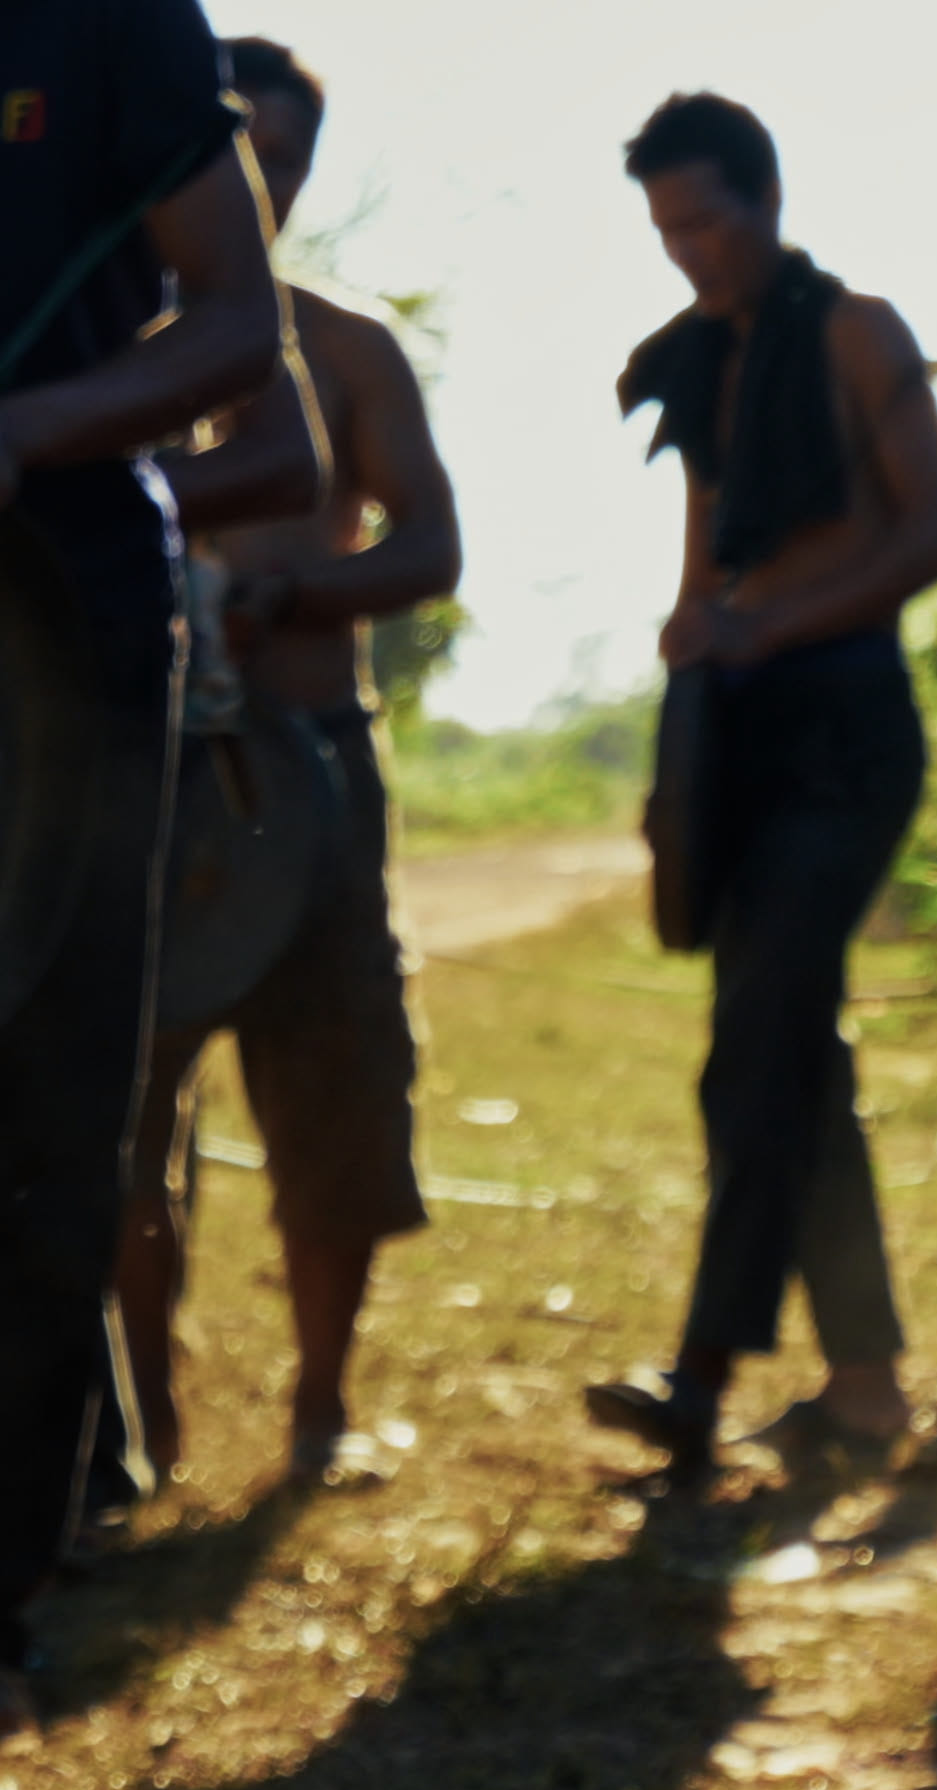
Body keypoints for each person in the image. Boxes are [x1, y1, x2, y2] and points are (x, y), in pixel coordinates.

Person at [0, 0, 321, 1732]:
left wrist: (33, 432)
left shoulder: (109, 25)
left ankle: (10, 1588)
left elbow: (236, 327)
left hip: (64, 647)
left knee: (52, 1151)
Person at [581, 91, 937, 1480]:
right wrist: (677, 761)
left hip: (849, 727)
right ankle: (864, 1386)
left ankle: (700, 1374)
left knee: (757, 1046)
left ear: (765, 199)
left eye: (705, 218)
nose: (687, 248)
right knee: (793, 1049)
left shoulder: (859, 333)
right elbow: (705, 573)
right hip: (735, 734)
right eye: (666, 228)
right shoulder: (702, 364)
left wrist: (775, 629)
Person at [116, 35, 464, 1493]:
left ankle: (320, 1409)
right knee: (120, 1108)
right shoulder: (103, 347)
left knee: (334, 1089)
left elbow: (432, 549)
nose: (258, 178)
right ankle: (138, 1424)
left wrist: (295, 597)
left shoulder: (348, 348)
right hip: (145, 772)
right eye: (233, 147)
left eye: (283, 156)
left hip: (312, 759)